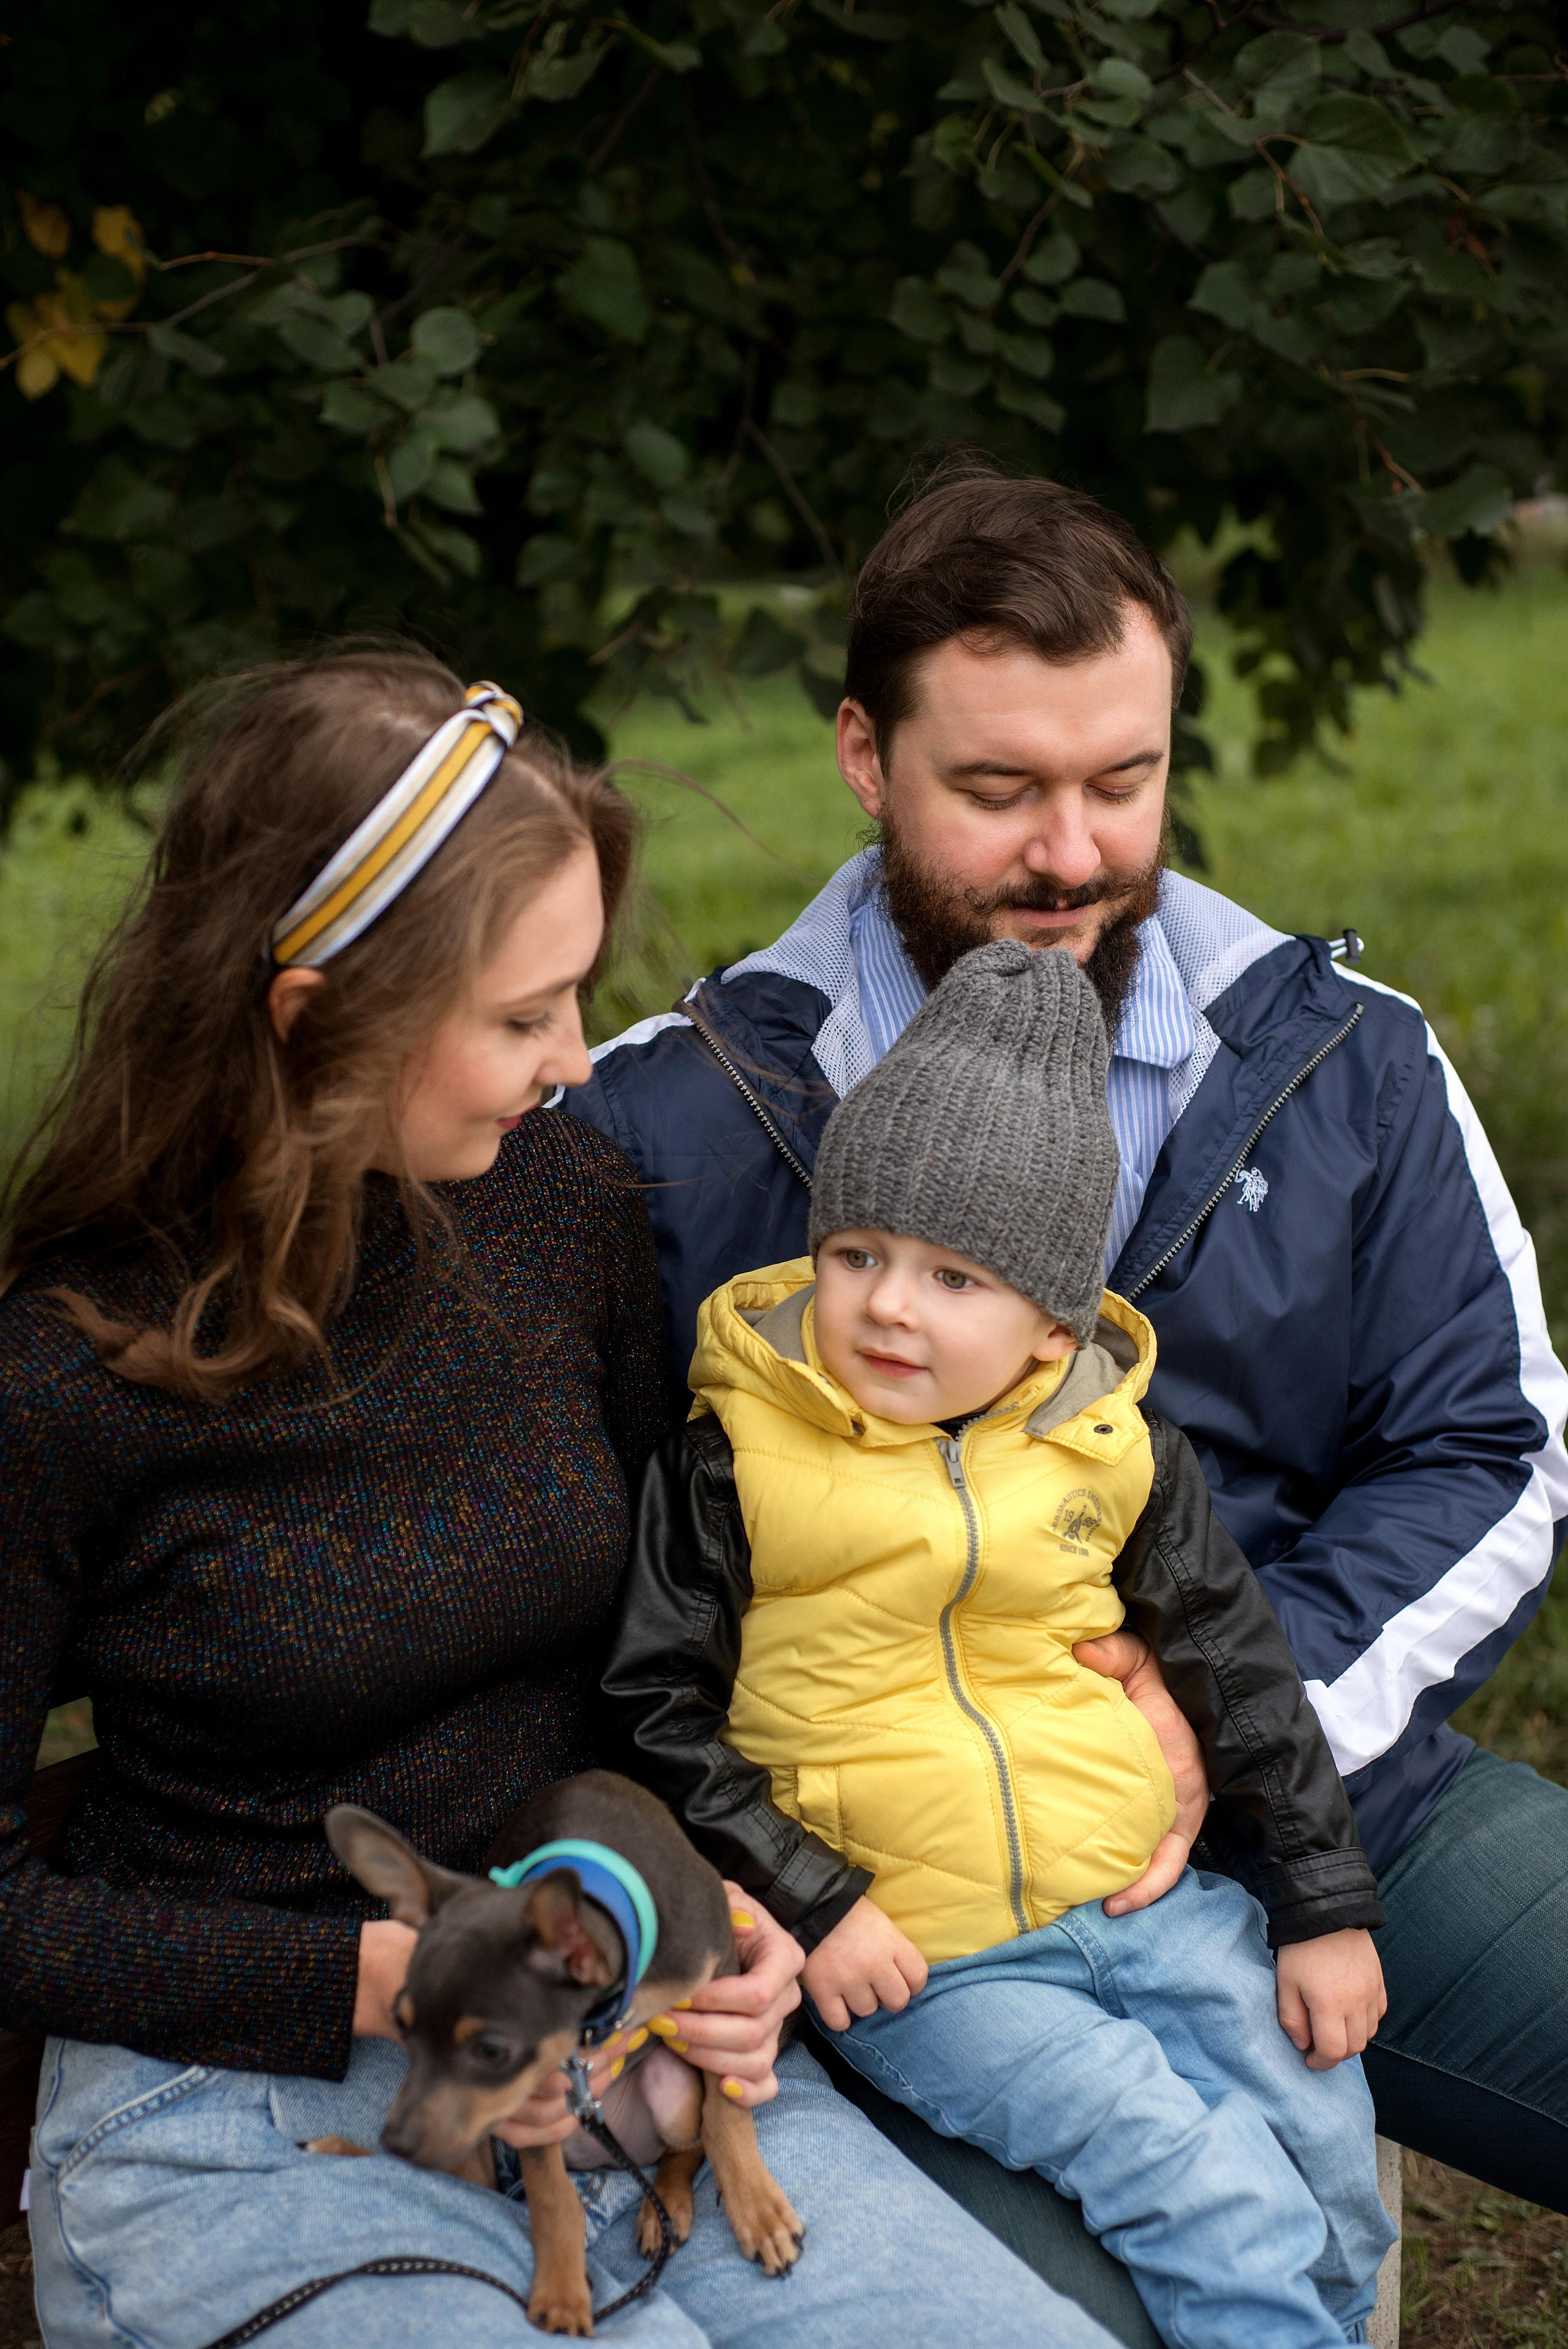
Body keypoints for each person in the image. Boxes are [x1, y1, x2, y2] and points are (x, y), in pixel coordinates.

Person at [0, 649, 1118, 2349]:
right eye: (524, 1017)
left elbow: (641, 1662)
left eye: (579, 996)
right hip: (249, 2111)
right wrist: (372, 1980)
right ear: (315, 1022)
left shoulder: (559, 1200)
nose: (582, 1061)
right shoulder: (63, 1377)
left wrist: (719, 1912)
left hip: (631, 2041)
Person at [563, 461, 1568, 2333]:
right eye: (1001, 790)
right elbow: (579, 1601)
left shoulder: (1341, 1057)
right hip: (920, 1922)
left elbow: (1490, 1446)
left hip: (1332, 1799)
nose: (1074, 854)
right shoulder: (673, 1127)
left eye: (1126, 781)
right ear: (866, 757)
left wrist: (1228, 1716)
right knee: (1112, 2301)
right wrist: (739, 1887)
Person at [605, 937, 1395, 2349]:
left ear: (1047, 1326)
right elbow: (653, 1713)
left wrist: (1320, 1900)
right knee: (1189, 2181)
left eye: (953, 1277)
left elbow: (1237, 1665)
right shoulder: (733, 1457)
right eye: (855, 1254)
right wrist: (817, 1900)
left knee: (1328, 2166)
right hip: (932, 1958)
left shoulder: (1110, 1444)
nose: (889, 1304)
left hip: (1141, 1907)